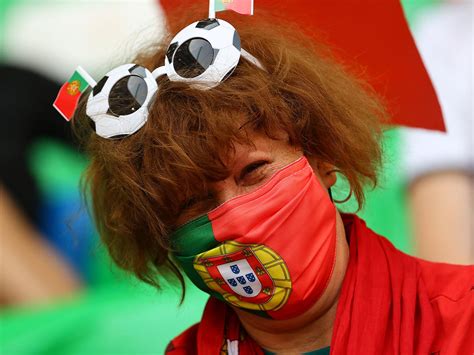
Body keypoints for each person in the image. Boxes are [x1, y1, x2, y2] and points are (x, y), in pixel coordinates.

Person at [71, 11, 472, 354]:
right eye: (194, 203)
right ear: (163, 240)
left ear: (321, 159)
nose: (235, 217)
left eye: (253, 171)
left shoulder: (462, 320)